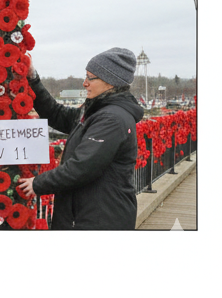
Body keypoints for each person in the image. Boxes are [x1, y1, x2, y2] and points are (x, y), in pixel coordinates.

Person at [16, 47, 143, 230]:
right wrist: (33, 78)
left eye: (90, 77)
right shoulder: (98, 110)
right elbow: (57, 114)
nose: (85, 83)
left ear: (110, 82)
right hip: (88, 213)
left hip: (100, 218)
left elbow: (82, 167)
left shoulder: (112, 119)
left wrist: (37, 183)